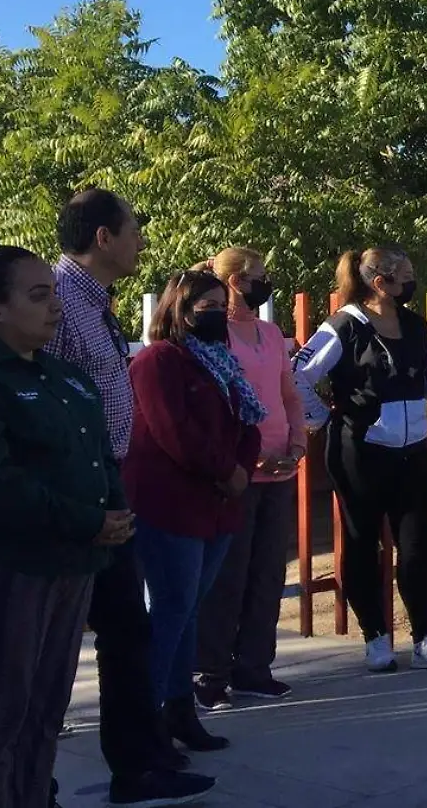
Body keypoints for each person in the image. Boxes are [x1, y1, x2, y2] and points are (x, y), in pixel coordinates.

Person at [0, 247, 126, 808]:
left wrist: (113, 511)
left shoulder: (63, 376)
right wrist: (89, 520)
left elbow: (100, 453)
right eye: (38, 296)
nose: (55, 306)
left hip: (72, 563)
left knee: (44, 714)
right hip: (6, 568)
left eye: (54, 292)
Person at [49, 189, 216, 806]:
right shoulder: (58, 301)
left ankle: (141, 766)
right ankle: (32, 779)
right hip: (76, 488)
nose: (141, 240)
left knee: (127, 630)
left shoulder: (95, 302)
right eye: (134, 229)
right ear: (102, 238)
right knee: (60, 638)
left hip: (108, 481)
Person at [293, 247, 427, 673]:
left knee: (417, 547)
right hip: (360, 453)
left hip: (414, 451)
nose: (411, 282)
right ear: (379, 282)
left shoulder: (414, 324)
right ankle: (375, 637)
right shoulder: (345, 326)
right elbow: (297, 373)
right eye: (405, 275)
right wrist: (321, 419)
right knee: (361, 544)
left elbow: (425, 389)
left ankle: (426, 637)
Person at [125, 269, 261, 756]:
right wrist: (227, 471)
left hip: (218, 507)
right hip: (171, 506)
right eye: (203, 303)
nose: (214, 312)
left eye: (219, 303)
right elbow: (173, 433)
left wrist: (241, 469)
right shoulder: (157, 361)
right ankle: (148, 717)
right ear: (178, 309)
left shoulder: (222, 361)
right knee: (170, 612)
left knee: (187, 613)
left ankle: (181, 711)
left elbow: (250, 422)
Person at [194, 248, 305, 710]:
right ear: (233, 282)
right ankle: (210, 673)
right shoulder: (211, 337)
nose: (264, 284)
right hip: (237, 472)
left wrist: (297, 444)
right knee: (228, 576)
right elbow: (213, 407)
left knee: (267, 574)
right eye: (256, 277)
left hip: (281, 465)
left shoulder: (271, 333)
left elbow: (288, 394)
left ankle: (255, 667)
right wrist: (245, 459)